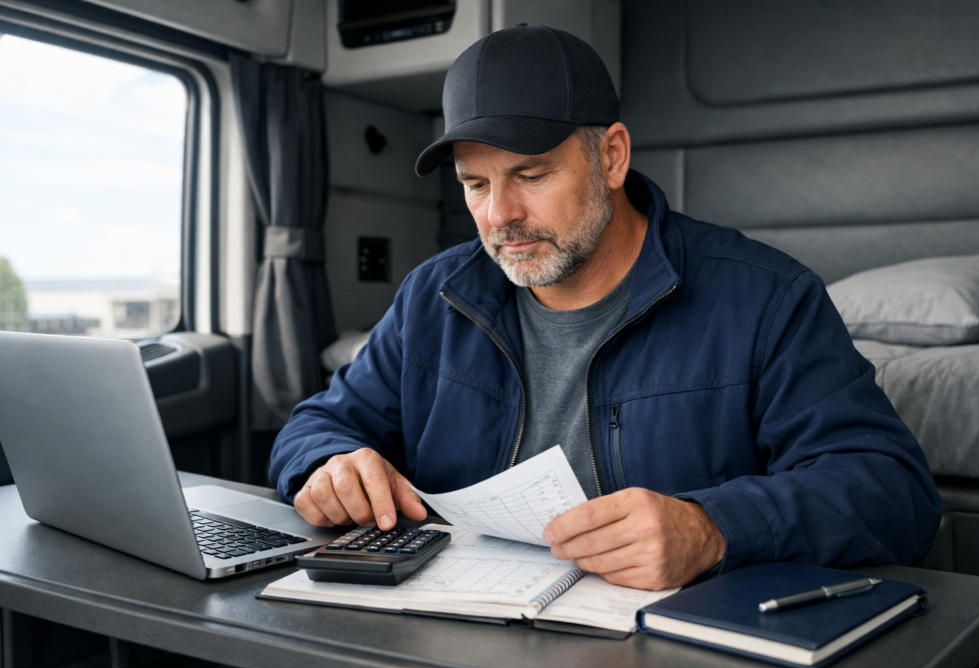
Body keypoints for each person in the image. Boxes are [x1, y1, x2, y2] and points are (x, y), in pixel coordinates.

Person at [269, 24, 942, 591]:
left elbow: (895, 492)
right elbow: (315, 425)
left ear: (612, 157)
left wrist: (714, 528)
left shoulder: (767, 298)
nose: (499, 214)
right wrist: (328, 463)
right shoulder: (433, 296)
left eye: (531, 175)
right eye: (475, 183)